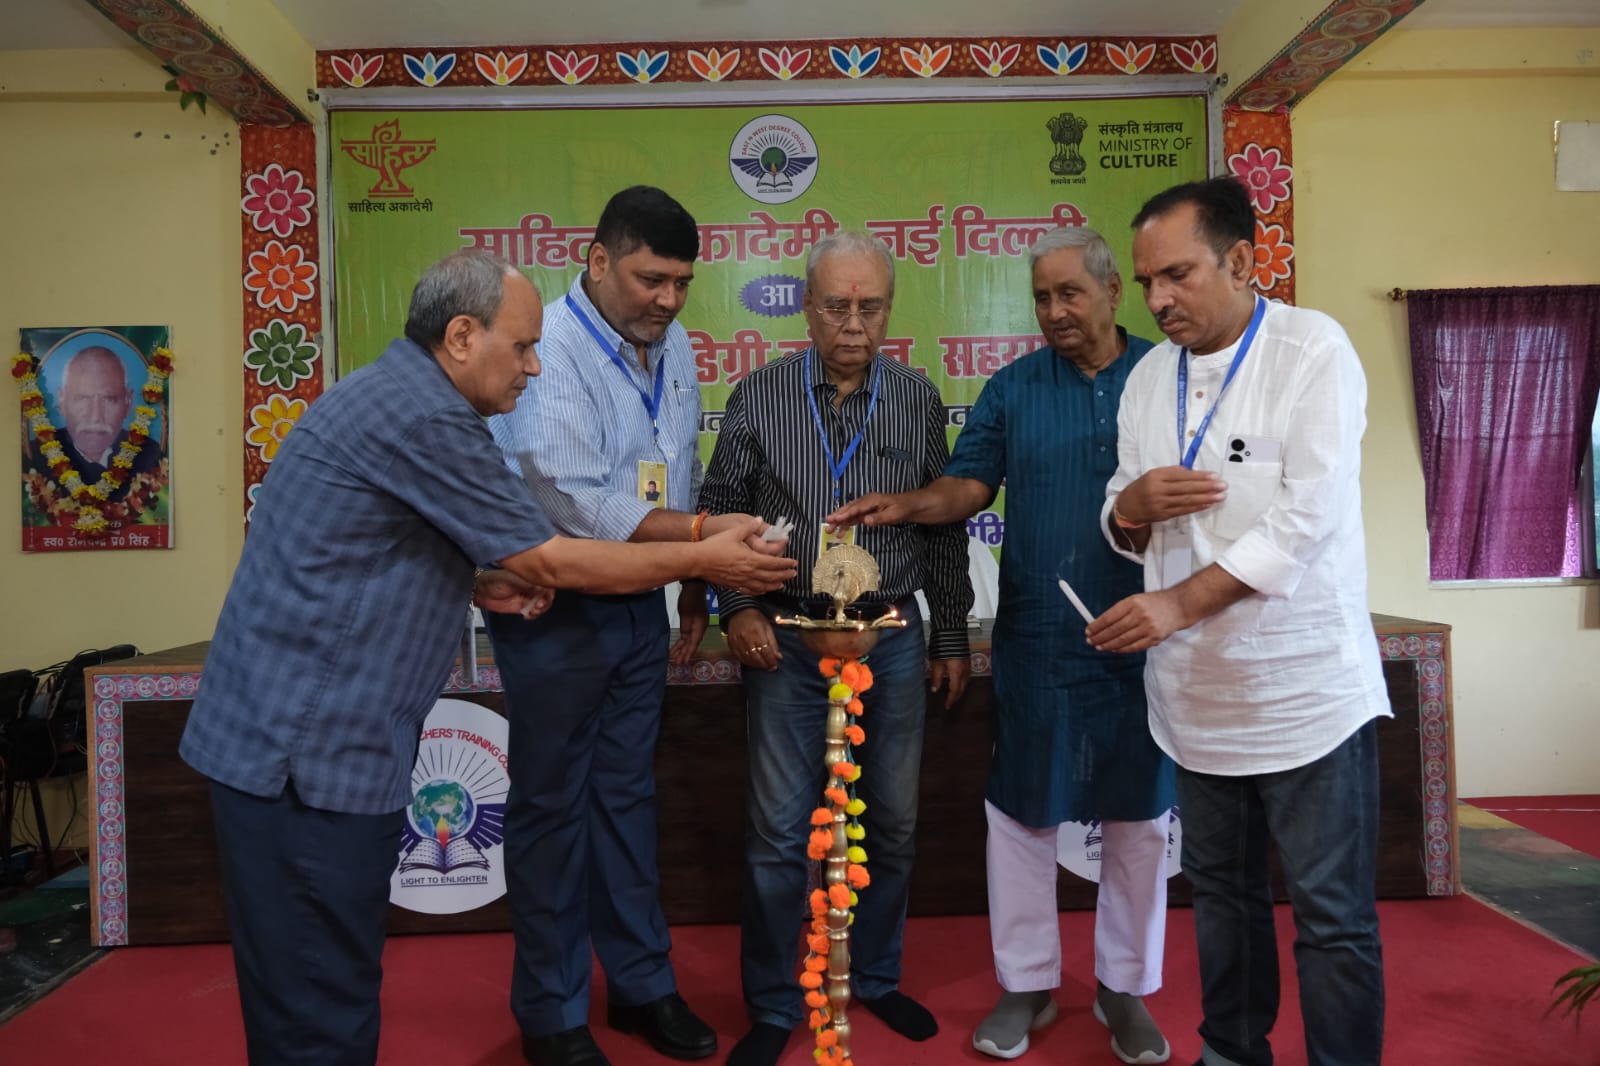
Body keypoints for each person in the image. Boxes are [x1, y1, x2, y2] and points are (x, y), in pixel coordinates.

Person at [178, 249, 796, 1066]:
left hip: (303, 749)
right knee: (318, 1007)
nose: (535, 367)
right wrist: (705, 558)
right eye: (524, 346)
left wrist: (476, 580)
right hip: (305, 758)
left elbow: (364, 546)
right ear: (463, 336)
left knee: (320, 992)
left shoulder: (397, 395)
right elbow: (554, 558)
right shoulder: (426, 417)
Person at [827, 226, 1175, 1066]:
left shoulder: (1168, 376)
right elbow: (969, 485)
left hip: (1151, 631)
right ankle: (1027, 984)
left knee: (1139, 819)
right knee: (1021, 813)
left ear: (1112, 292)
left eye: (1070, 294)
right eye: (1042, 297)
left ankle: (1125, 988)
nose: (1054, 311)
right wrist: (909, 505)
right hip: (1041, 636)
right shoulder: (1014, 388)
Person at [1086, 177, 1390, 1066]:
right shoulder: (1149, 377)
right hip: (1196, 700)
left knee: (1332, 918)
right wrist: (1130, 508)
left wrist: (1176, 603)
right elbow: (1118, 509)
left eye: (1176, 275)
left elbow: (1304, 522)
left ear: (1244, 262)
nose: (1157, 300)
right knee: (1221, 897)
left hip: (1307, 696)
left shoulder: (1312, 351)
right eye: (1147, 281)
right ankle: (1230, 1051)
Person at [485, 187, 774, 1066]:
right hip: (557, 609)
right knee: (553, 812)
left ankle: (642, 986)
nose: (669, 299)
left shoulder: (670, 341)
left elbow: (673, 463)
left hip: (643, 604)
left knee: (626, 801)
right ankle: (552, 1012)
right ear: (600, 259)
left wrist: (691, 581)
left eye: (682, 282)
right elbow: (575, 499)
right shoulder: (549, 350)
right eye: (652, 279)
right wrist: (701, 541)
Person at [699, 231, 975, 1066]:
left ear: (889, 310)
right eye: (837, 306)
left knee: (892, 820)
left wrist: (950, 632)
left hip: (890, 636)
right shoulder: (759, 396)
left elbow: (941, 525)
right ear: (806, 308)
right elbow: (720, 507)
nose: (854, 324)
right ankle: (774, 1003)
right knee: (778, 832)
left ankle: (876, 977)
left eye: (870, 307)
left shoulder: (917, 399)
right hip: (787, 638)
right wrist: (738, 607)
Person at [29, 345, 165, 501]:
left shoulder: (150, 456)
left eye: (109, 399)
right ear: (62, 401)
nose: (95, 416)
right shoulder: (36, 456)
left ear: (127, 403)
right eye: (82, 398)